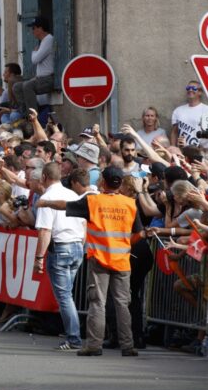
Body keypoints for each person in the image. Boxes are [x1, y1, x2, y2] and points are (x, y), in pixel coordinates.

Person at [38, 166, 145, 357]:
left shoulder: (94, 201)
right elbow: (140, 233)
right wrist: (125, 244)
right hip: (122, 261)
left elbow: (65, 206)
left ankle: (94, 345)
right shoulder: (130, 203)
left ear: (103, 181)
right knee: (122, 303)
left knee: (97, 303)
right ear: (120, 183)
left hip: (100, 260)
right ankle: (128, 345)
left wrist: (46, 203)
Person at [33, 162, 87, 351]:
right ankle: (72, 335)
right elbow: (83, 225)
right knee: (67, 296)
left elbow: (45, 231)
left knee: (64, 297)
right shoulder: (72, 195)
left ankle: (74, 338)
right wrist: (80, 245)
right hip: (76, 247)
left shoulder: (47, 198)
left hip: (61, 248)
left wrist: (39, 257)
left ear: (44, 178)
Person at [13, 16, 55, 116]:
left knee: (28, 86)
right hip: (41, 79)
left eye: (34, 28)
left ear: (40, 28)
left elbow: (35, 59)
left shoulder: (49, 40)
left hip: (48, 79)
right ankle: (24, 114)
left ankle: (33, 117)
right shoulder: (43, 41)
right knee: (17, 87)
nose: (32, 31)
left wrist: (34, 52)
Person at [171, 80, 208, 148]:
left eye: (194, 88)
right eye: (188, 88)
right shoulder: (178, 110)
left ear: (200, 92)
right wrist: (173, 148)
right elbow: (174, 132)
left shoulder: (206, 110)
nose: (190, 90)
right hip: (182, 152)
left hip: (201, 152)